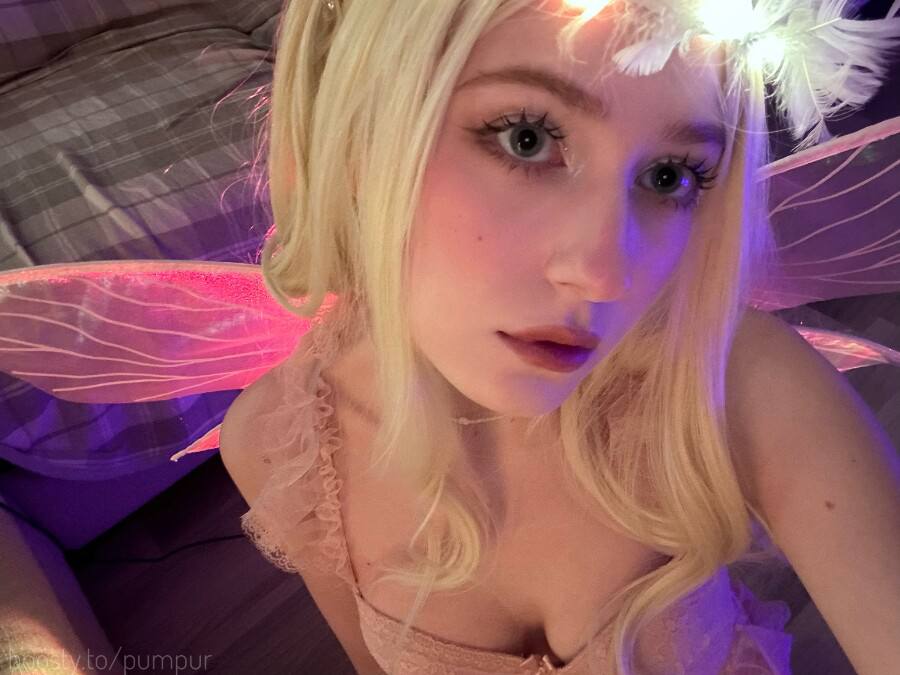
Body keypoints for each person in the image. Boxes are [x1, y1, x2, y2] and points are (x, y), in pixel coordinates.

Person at [0, 1, 898, 674]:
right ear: (359, 135)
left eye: (670, 175)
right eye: (527, 136)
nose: (607, 272)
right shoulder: (278, 447)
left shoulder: (735, 382)